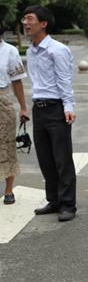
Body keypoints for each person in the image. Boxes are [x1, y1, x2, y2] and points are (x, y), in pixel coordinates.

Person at [23, 5, 77, 222]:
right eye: (24, 19)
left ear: (43, 23)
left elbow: (65, 79)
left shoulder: (57, 50)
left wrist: (68, 106)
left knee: (62, 159)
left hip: (56, 108)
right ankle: (54, 200)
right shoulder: (31, 51)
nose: (25, 23)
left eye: (29, 19)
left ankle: (68, 204)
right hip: (39, 109)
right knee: (45, 158)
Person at [0, 22, 29, 204]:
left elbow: (17, 81)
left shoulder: (10, 51)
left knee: (7, 145)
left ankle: (9, 189)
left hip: (3, 101)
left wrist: (23, 107)